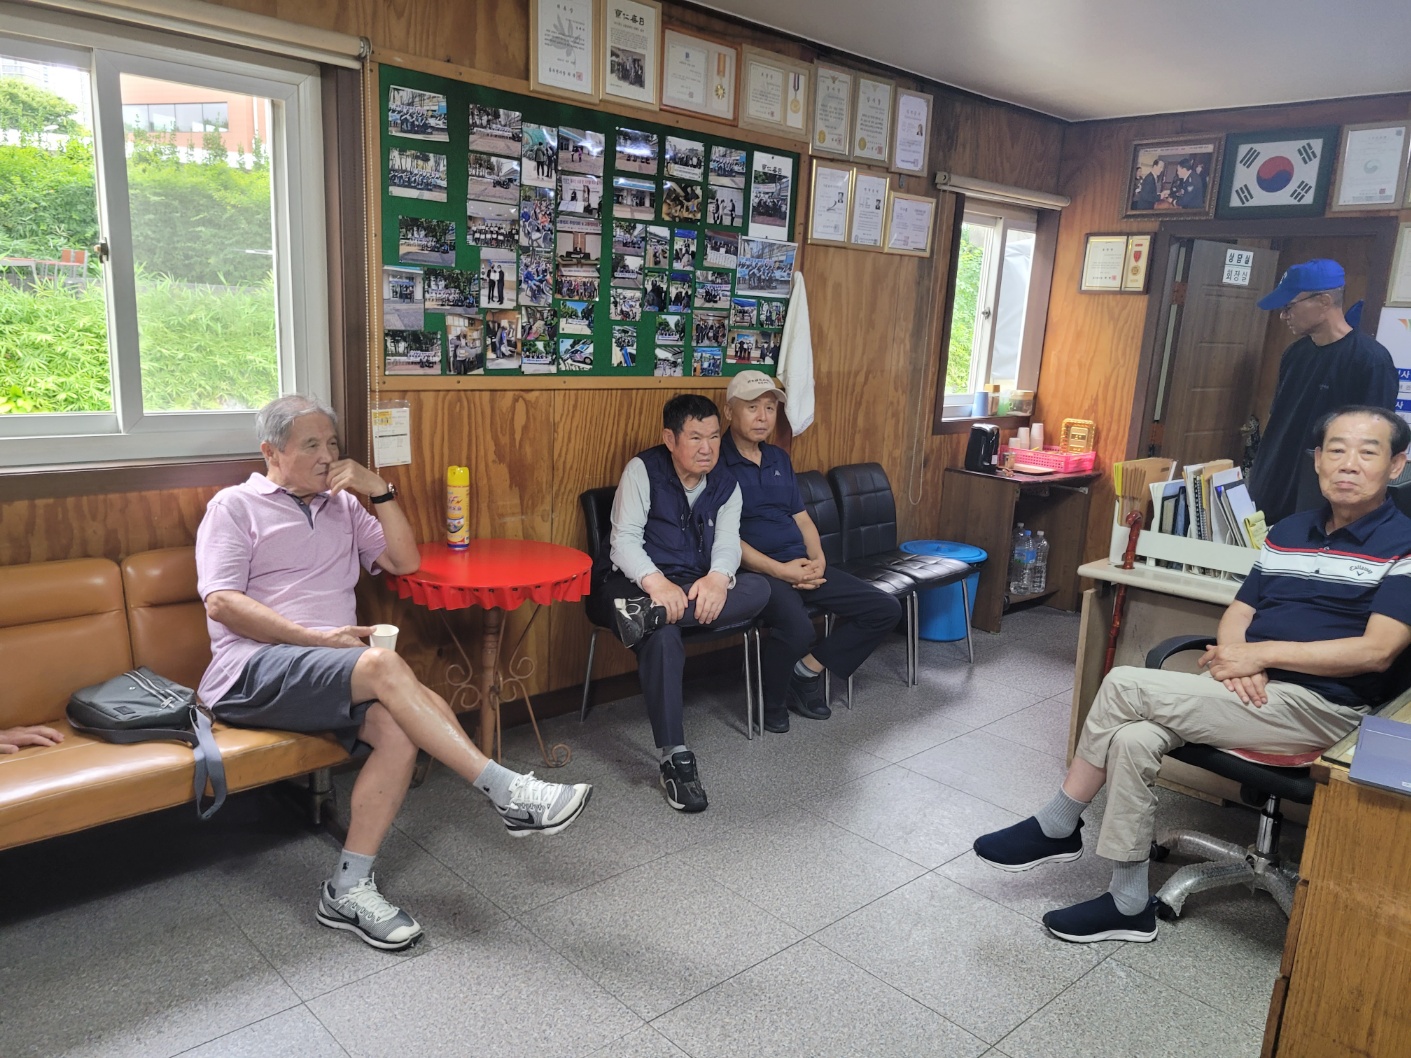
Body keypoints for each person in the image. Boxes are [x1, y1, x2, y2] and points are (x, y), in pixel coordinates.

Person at [973, 406, 1411, 944]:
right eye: (1336, 450)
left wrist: (1259, 656)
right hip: (1249, 693)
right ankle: (1128, 904)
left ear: (1396, 466)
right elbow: (1240, 611)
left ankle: (1059, 823)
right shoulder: (1290, 530)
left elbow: (1378, 651)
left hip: (1324, 709)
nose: (1348, 464)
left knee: (1124, 683)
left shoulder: (1403, 544)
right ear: (1318, 460)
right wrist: (1237, 658)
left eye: (1368, 452)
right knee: (1133, 738)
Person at [196, 395, 592, 951]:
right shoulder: (234, 507)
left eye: (333, 444)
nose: (327, 455)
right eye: (311, 445)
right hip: (250, 670)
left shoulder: (341, 505)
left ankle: (346, 889)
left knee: (398, 732)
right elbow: (221, 602)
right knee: (382, 662)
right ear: (271, 452)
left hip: (331, 665)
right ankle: (507, 791)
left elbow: (404, 562)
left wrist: (378, 489)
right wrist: (316, 638)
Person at [603, 395, 770, 813]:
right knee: (663, 638)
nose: (707, 448)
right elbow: (623, 542)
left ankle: (653, 617)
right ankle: (675, 758)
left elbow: (728, 544)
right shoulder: (643, 470)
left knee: (760, 590)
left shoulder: (726, 484)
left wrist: (718, 578)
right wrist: (656, 583)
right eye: (695, 437)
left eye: (713, 437)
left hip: (691, 588)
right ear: (670, 438)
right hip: (634, 584)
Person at [720, 372, 902, 732]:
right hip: (756, 574)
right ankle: (771, 702)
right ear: (729, 412)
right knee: (799, 629)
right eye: (752, 408)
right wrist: (781, 571)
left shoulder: (777, 458)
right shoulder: (716, 463)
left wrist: (818, 560)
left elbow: (802, 519)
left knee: (884, 609)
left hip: (802, 565)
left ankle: (804, 672)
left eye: (770, 408)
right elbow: (724, 539)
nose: (763, 417)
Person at [1247, 259, 1397, 525]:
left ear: (1324, 301)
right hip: (1273, 486)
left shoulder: (1371, 361)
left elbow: (1375, 443)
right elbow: (1279, 420)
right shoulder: (1294, 354)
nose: (1283, 316)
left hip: (1325, 499)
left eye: (1289, 307)